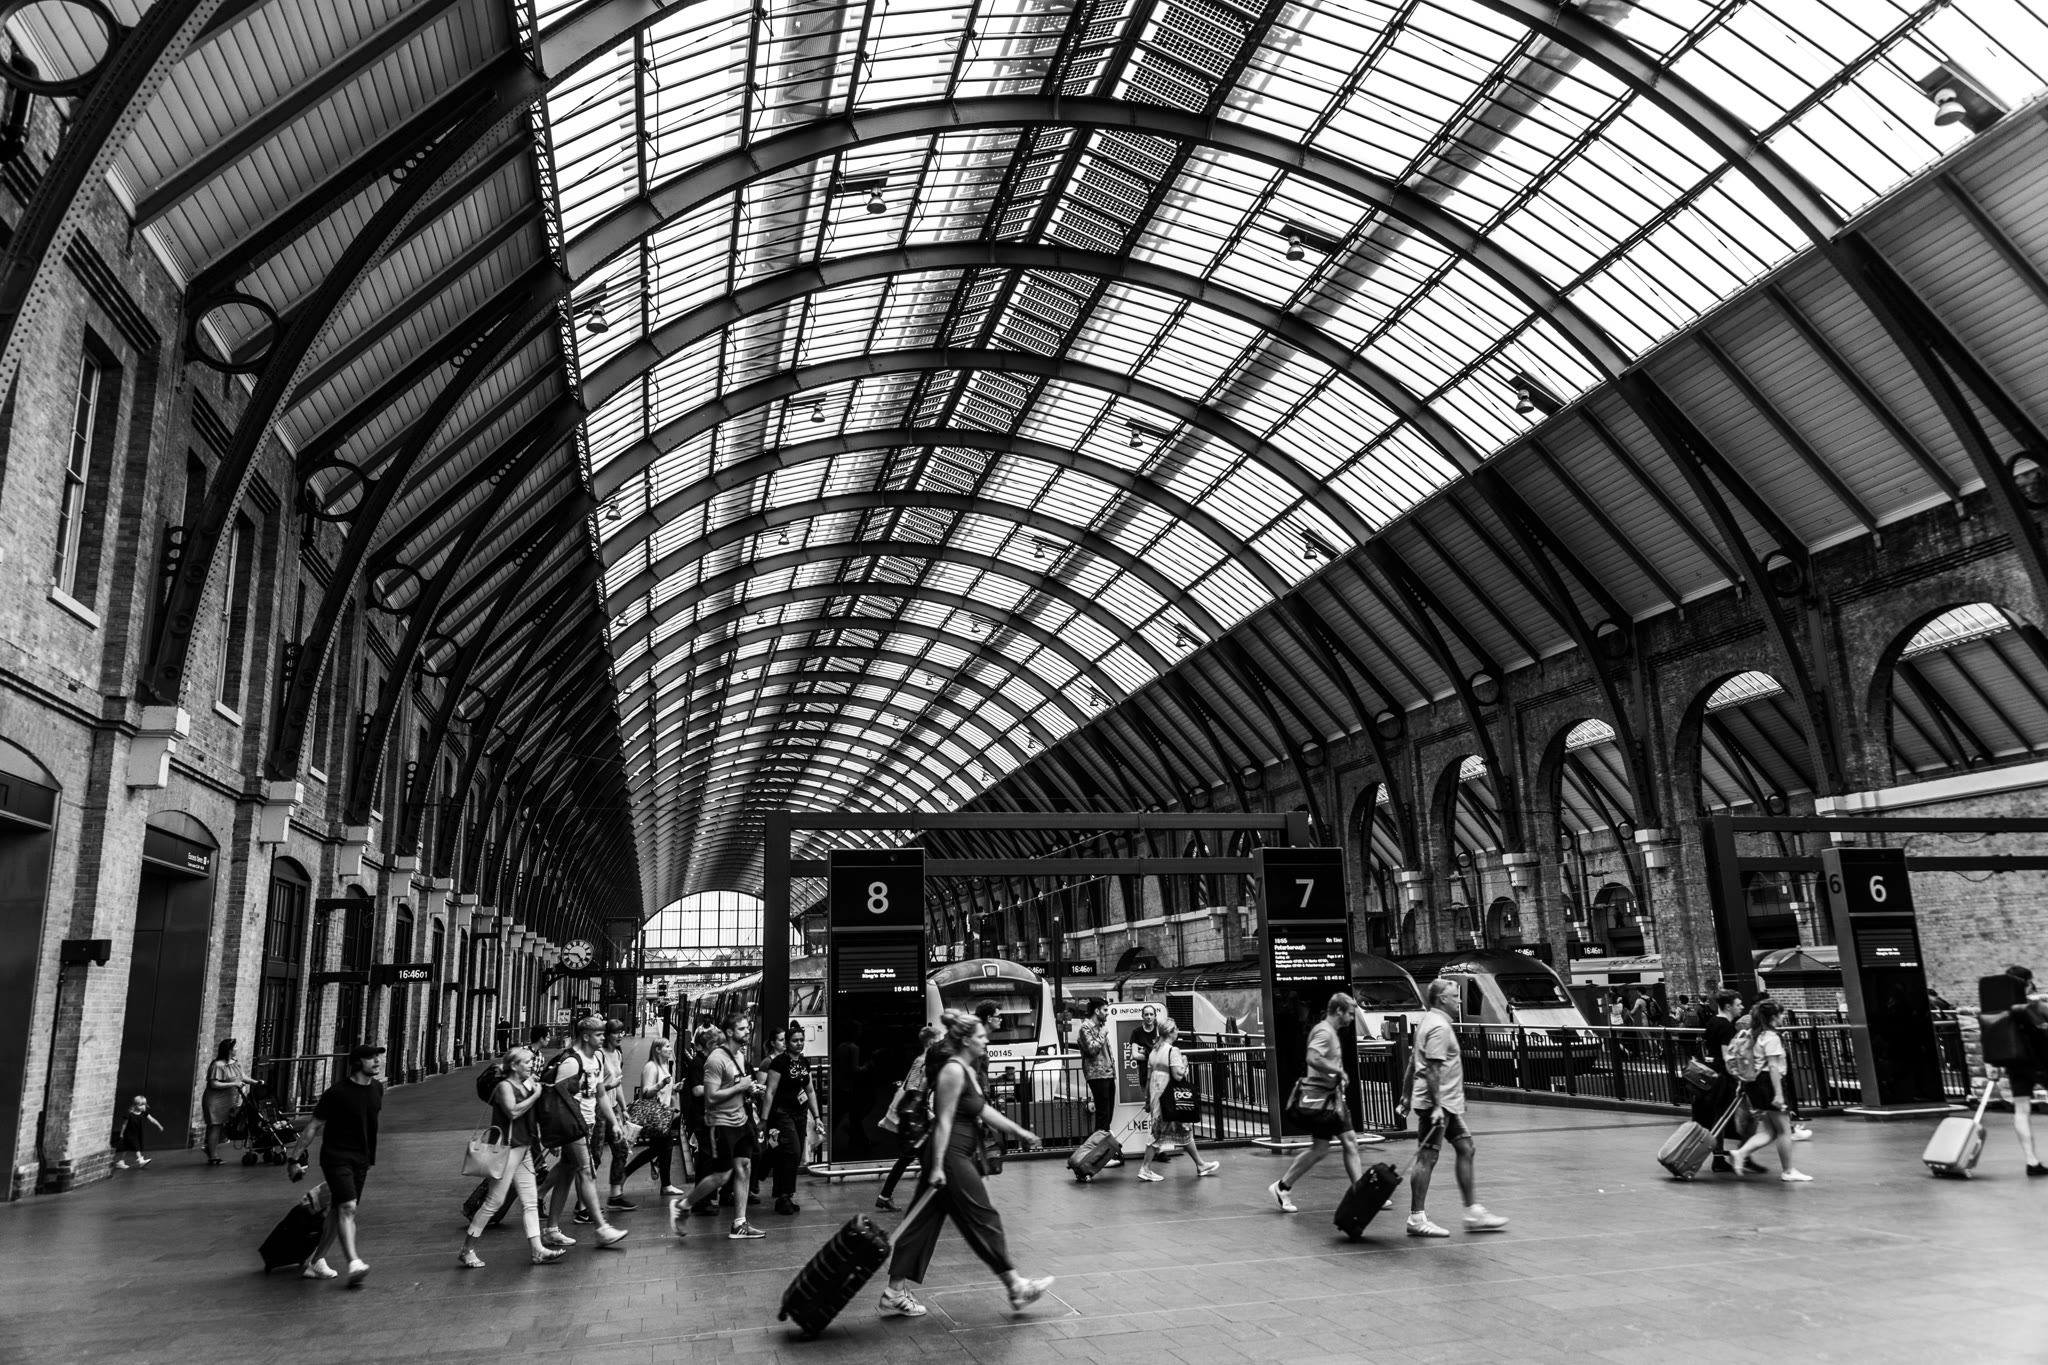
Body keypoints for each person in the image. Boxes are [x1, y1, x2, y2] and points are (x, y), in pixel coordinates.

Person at [878, 1009, 1056, 1320]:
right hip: (949, 1156)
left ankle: (894, 1293)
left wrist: (1019, 1132)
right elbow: (944, 1121)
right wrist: (937, 1167)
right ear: (966, 1041)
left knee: (922, 1224)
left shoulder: (966, 1068)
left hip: (952, 1154)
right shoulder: (953, 1071)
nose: (986, 1040)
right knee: (982, 1216)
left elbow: (983, 1110)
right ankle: (1016, 1286)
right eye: (981, 1037)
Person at [1404, 979, 1508, 1236]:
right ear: (1442, 999)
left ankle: (1473, 1213)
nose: (1459, 1000)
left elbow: (1412, 1062)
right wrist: (1437, 1107)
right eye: (1454, 996)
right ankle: (1416, 1218)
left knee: (1466, 1148)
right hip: (1437, 1104)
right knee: (1427, 1157)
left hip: (1445, 1104)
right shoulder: (1439, 1027)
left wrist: (1405, 1096)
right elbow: (1432, 1070)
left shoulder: (1429, 1021)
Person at [458, 1047, 563, 1268]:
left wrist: (548, 1139)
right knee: (494, 1202)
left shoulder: (527, 1084)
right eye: (527, 1062)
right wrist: (535, 1095)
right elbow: (513, 1111)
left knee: (530, 1201)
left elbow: (533, 1116)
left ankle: (537, 1250)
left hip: (524, 1149)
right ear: (514, 1065)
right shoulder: (504, 1087)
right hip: (508, 1150)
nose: (532, 1065)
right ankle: (467, 1249)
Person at [292, 1044, 387, 1287]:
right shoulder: (337, 1093)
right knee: (348, 1207)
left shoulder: (377, 1088)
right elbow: (313, 1126)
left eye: (377, 1057)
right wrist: (294, 1159)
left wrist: (368, 1158)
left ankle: (316, 1262)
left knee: (338, 1211)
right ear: (356, 1063)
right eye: (370, 1058)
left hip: (361, 1160)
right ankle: (354, 1262)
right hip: (336, 1157)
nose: (376, 1061)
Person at [537, 1014, 630, 1249]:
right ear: (586, 1036)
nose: (603, 1039)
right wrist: (555, 1136)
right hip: (573, 1126)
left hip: (587, 1124)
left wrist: (614, 1122)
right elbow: (555, 1100)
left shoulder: (596, 1058)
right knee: (586, 1172)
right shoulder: (572, 1062)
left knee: (567, 1173)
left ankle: (551, 1229)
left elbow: (600, 1094)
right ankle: (601, 1228)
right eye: (599, 1035)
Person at [1267, 994, 1366, 1213]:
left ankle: (1283, 1187)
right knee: (1334, 1145)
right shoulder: (1324, 1032)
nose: (1352, 1018)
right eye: (1350, 1014)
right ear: (1339, 1011)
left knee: (1332, 1146)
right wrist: (1338, 1071)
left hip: (1330, 1098)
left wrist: (1337, 1075)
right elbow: (1312, 1058)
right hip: (1324, 1100)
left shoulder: (1328, 1031)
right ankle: (1283, 1186)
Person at [674, 1020, 766, 1239]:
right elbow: (710, 1096)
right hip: (722, 1123)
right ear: (730, 1032)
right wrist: (739, 1087)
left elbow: (736, 1085)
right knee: (722, 1176)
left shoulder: (739, 1057)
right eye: (742, 1028)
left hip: (741, 1120)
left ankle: (739, 1224)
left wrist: (751, 1090)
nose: (747, 1031)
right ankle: (684, 1205)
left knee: (744, 1166)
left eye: (747, 1027)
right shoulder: (715, 1060)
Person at [1728, 1000, 1811, 1182]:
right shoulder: (1772, 1038)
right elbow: (1773, 1067)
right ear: (1773, 1017)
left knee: (1770, 1131)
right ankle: (1788, 1171)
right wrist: (1779, 1094)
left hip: (1755, 1084)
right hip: (1770, 1085)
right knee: (1784, 1130)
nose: (1783, 1017)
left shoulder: (1754, 1034)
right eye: (1781, 1013)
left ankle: (1741, 1153)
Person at [1138, 1020, 1216, 1180]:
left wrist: (1147, 1100)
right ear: (1171, 1032)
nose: (1178, 1031)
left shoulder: (1154, 1051)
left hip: (1157, 1095)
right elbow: (1178, 1075)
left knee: (1183, 1129)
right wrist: (1185, 1063)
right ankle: (1144, 1169)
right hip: (1170, 1098)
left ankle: (1200, 1164)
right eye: (1176, 1029)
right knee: (1158, 1131)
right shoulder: (1172, 1051)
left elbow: (1148, 1078)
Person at [878, 1024, 944, 1211]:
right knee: (916, 1157)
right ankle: (930, 1199)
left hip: (918, 1117)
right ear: (931, 1042)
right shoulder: (924, 1062)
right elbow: (914, 1090)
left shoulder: (921, 1061)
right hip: (919, 1118)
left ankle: (886, 1196)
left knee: (912, 1157)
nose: (942, 1044)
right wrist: (927, 1111)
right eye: (939, 1041)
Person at [1992, 964, 2046, 1175]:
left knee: (2021, 1111)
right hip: (2042, 1062)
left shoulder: (1998, 1011)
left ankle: (2031, 1161)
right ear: (2028, 983)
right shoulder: (2036, 1007)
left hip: (2015, 1065)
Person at [761, 1021, 820, 1215]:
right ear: (787, 1043)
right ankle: (784, 1195)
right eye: (795, 1040)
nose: (799, 1043)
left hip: (800, 1114)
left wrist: (817, 1116)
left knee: (795, 1153)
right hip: (782, 1114)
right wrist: (764, 1119)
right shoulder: (778, 1063)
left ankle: (785, 1194)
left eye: (801, 1040)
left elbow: (810, 1090)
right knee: (792, 1151)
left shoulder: (804, 1062)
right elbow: (770, 1091)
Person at [617, 1037, 686, 1196]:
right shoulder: (651, 1067)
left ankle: (664, 1184)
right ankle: (627, 1174)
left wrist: (674, 1087)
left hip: (663, 1115)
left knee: (661, 1148)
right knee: (661, 1148)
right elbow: (646, 1092)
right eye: (667, 1046)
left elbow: (663, 1091)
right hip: (656, 1116)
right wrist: (661, 1085)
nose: (670, 1049)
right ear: (657, 1050)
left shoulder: (663, 1066)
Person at [590, 1018, 637, 1217]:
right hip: (598, 1110)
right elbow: (596, 1087)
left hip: (612, 1108)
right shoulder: (598, 1055)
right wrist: (610, 1086)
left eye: (622, 1031)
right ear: (607, 1035)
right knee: (595, 1156)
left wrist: (624, 1108)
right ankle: (586, 1203)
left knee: (621, 1149)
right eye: (616, 1032)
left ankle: (615, 1196)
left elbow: (617, 1084)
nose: (620, 1035)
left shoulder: (617, 1054)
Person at [1694, 989, 1742, 1172]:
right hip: (1723, 1077)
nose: (1741, 1007)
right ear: (1728, 1006)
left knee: (1718, 1115)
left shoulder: (1713, 1022)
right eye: (1738, 1004)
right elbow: (1727, 1055)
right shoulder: (1726, 1026)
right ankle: (1724, 1156)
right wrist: (1737, 1076)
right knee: (1722, 1116)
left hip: (1711, 1074)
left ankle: (1719, 1156)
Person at [1075, 999, 1121, 1165]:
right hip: (1097, 1075)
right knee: (1102, 1115)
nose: (1107, 1013)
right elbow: (1092, 1049)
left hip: (1107, 1074)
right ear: (1096, 1011)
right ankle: (1098, 1155)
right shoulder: (1085, 1028)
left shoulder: (1101, 1027)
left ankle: (1104, 1153)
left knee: (1107, 1115)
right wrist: (1102, 1034)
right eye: (1105, 1010)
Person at [201, 1037, 250, 1165]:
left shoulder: (235, 1063)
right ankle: (213, 1157)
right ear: (229, 1050)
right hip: (215, 1101)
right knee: (216, 1126)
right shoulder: (217, 1065)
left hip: (229, 1100)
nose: (237, 1049)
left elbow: (242, 1076)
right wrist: (233, 1083)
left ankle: (210, 1148)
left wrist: (256, 1082)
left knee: (222, 1127)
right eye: (235, 1047)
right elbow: (213, 1084)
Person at [113, 1095, 162, 1169]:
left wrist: (159, 1125)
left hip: (138, 1133)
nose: (142, 1107)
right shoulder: (130, 1114)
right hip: (129, 1134)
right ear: (135, 1105)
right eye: (140, 1105)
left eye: (144, 1105)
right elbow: (124, 1124)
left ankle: (120, 1162)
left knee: (126, 1148)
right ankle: (141, 1161)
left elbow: (152, 1120)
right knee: (136, 1147)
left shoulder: (144, 1113)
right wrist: (121, 1133)